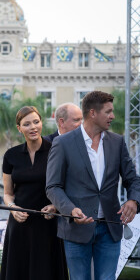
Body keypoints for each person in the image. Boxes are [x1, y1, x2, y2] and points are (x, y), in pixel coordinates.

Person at [46, 91, 140, 280]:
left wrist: (133, 200)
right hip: (76, 229)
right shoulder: (62, 143)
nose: (112, 116)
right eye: (108, 112)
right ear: (92, 113)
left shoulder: (117, 142)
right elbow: (53, 186)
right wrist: (70, 210)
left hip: (110, 227)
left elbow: (133, 179)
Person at [0, 106, 68, 280]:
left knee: (46, 272)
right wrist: (13, 209)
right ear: (19, 128)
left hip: (48, 224)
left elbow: (67, 187)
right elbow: (8, 193)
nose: (33, 127)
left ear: (42, 123)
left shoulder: (57, 150)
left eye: (36, 122)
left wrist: (55, 206)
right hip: (19, 224)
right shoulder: (11, 155)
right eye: (27, 124)